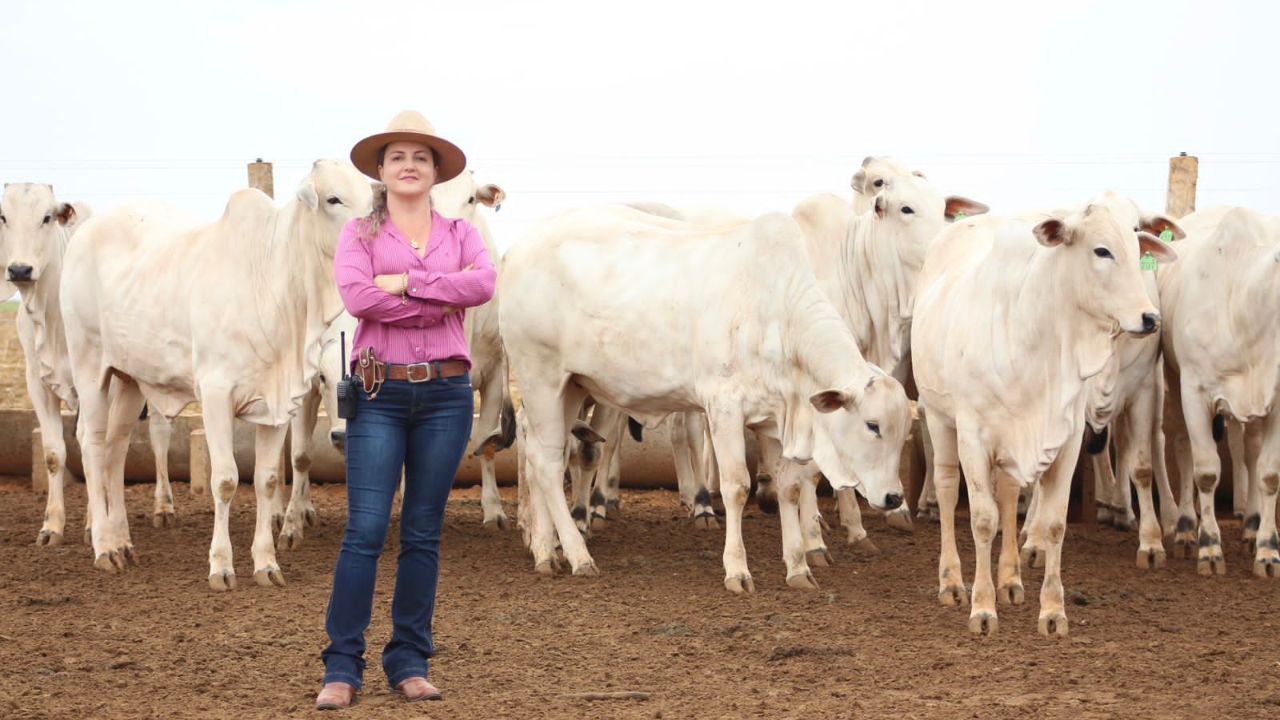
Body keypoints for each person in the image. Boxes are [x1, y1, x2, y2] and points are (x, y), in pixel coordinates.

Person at [315, 110, 497, 710]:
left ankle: (409, 659)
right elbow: (356, 296)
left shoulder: (464, 234)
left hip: (447, 397)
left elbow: (483, 285)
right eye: (398, 157)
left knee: (423, 532)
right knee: (364, 530)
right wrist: (437, 293)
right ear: (383, 171)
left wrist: (405, 284)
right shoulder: (359, 237)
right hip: (379, 393)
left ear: (436, 171)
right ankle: (342, 666)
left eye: (421, 157)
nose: (410, 165)